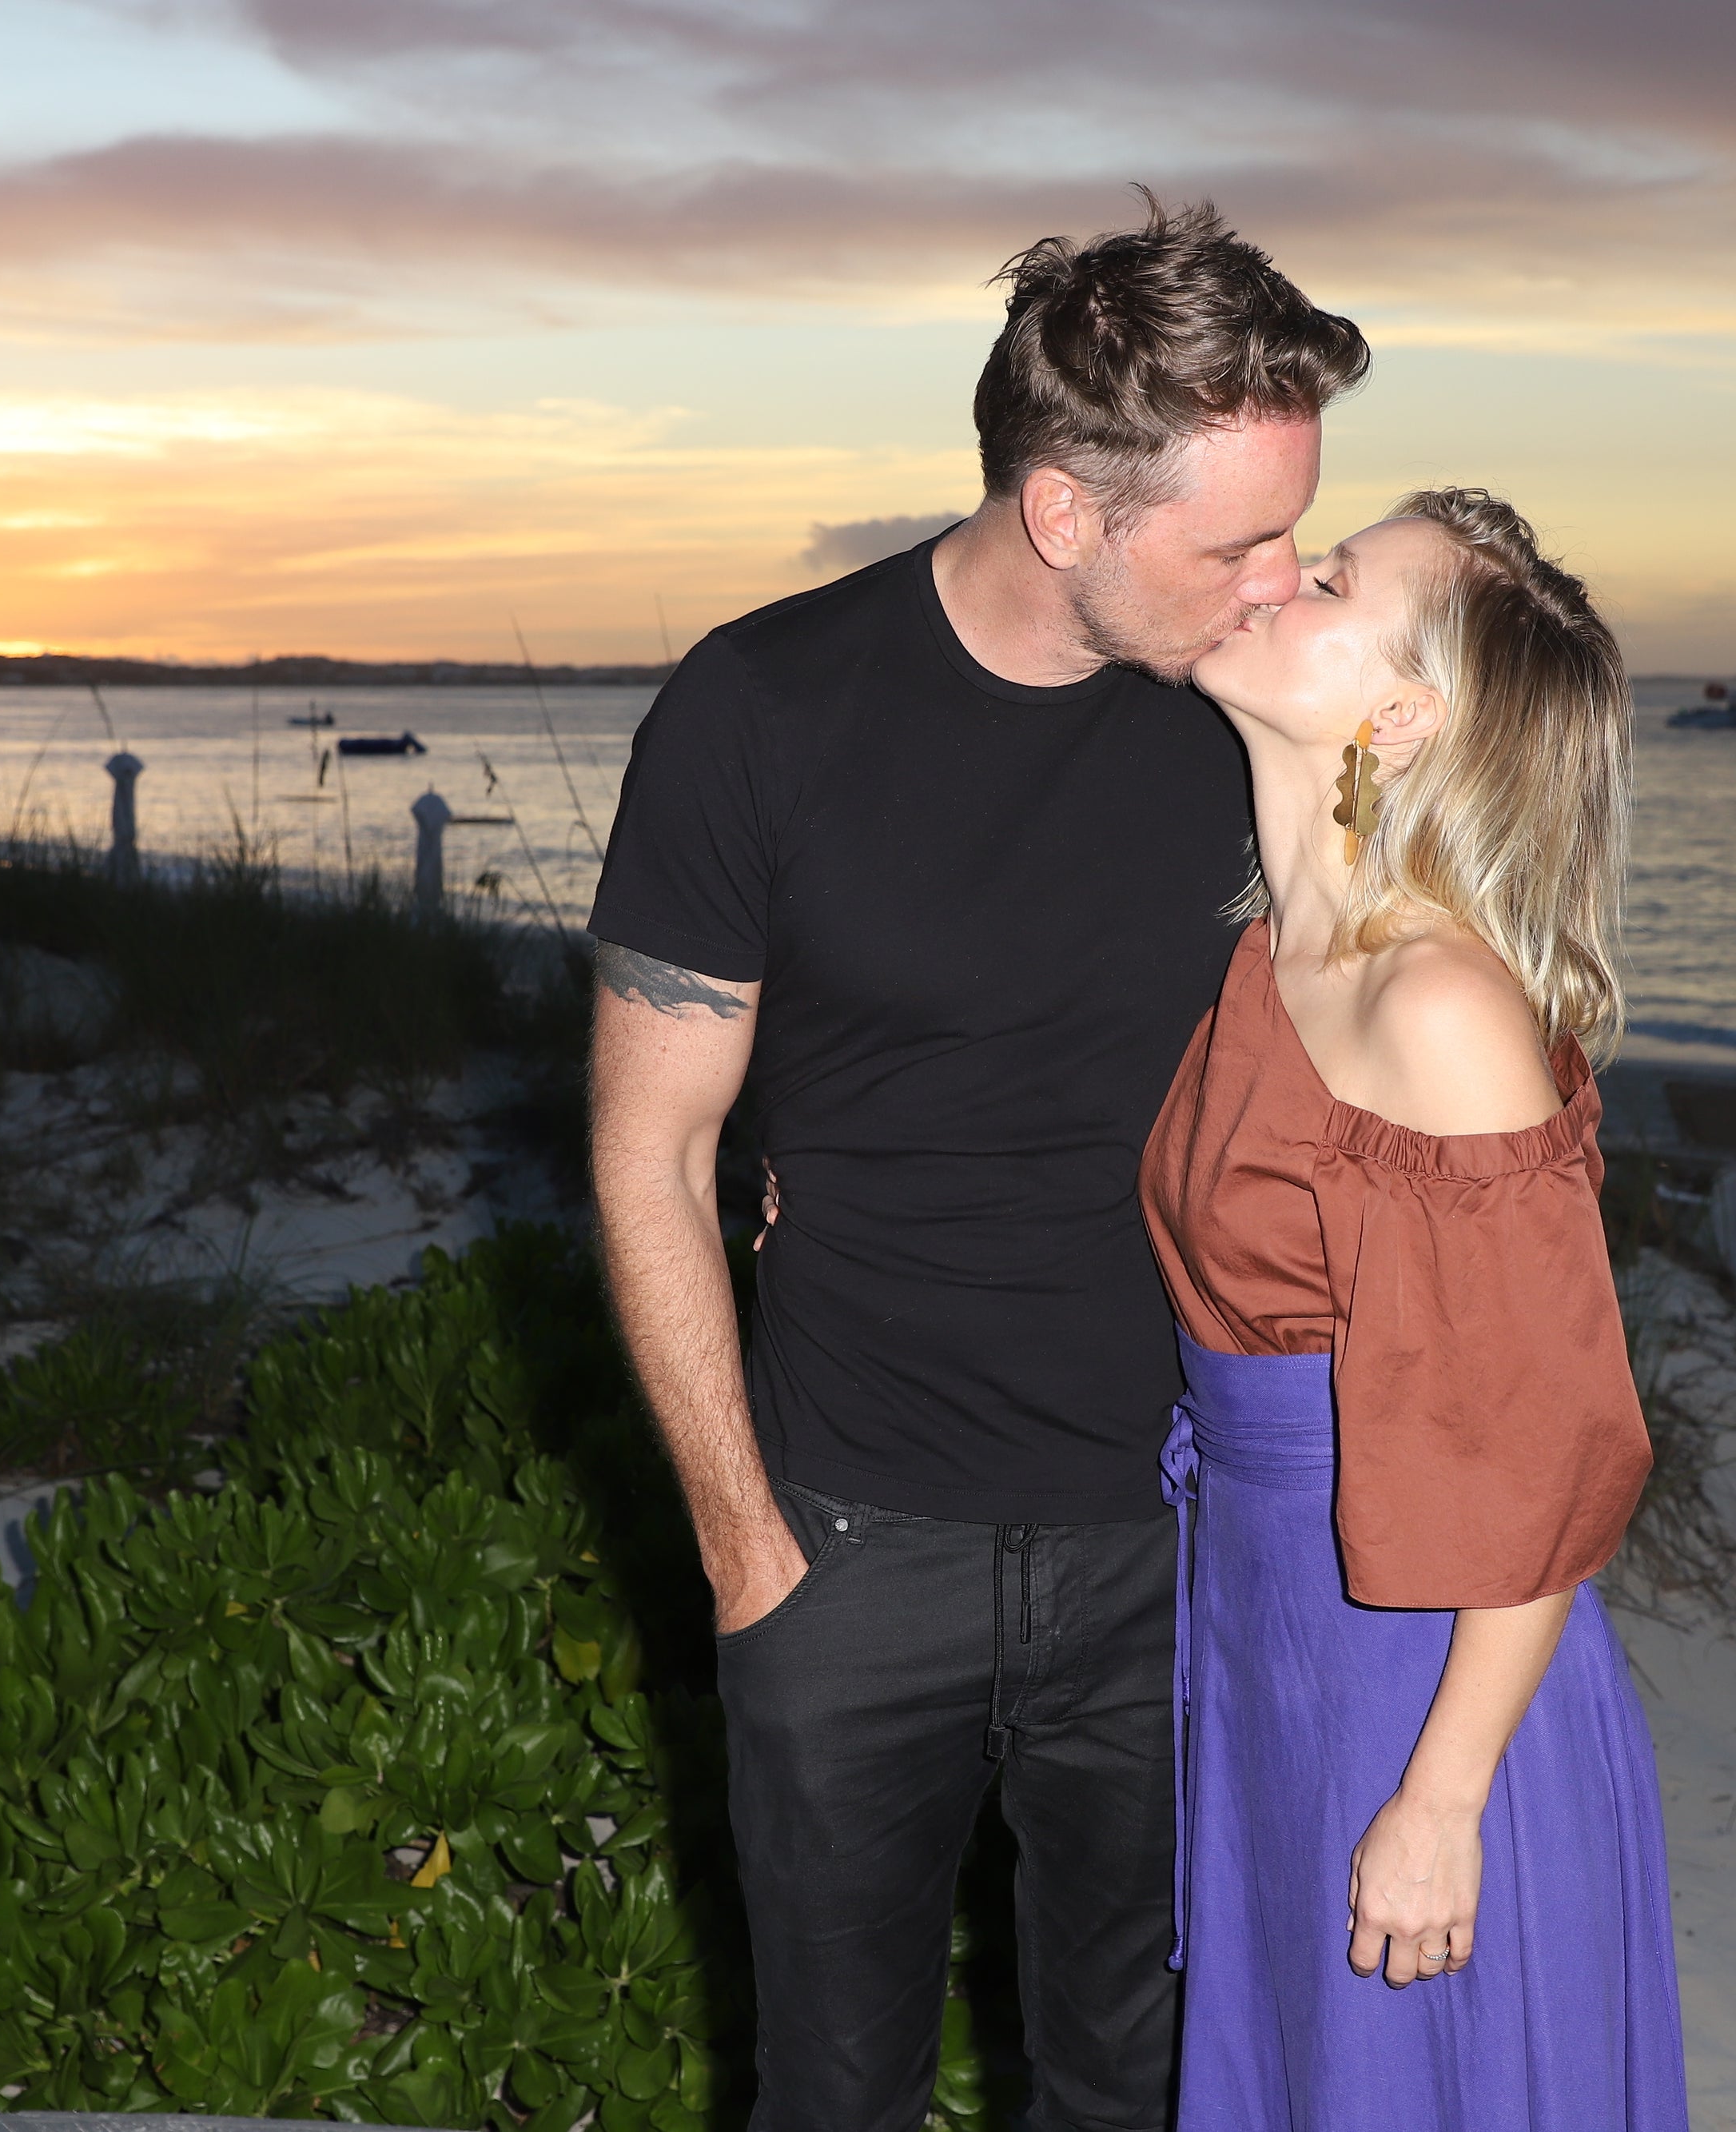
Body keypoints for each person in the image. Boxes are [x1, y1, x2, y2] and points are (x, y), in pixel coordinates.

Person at [585, 197, 1368, 2130]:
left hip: (1172, 1533)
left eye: (1297, 523)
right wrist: (743, 1548)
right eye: (1240, 540)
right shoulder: (759, 711)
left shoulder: (1261, 716)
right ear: (1066, 514)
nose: (1289, 580)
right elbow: (650, 1154)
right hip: (850, 1535)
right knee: (832, 2089)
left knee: (1129, 2079)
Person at [1140, 488, 1689, 2128]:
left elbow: (1550, 1462)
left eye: (1325, 579)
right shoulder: (1266, 950)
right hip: (1271, 1634)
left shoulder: (1437, 1004)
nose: (1270, 575)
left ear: (1398, 715)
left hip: (1424, 1681)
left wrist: (1442, 1800)